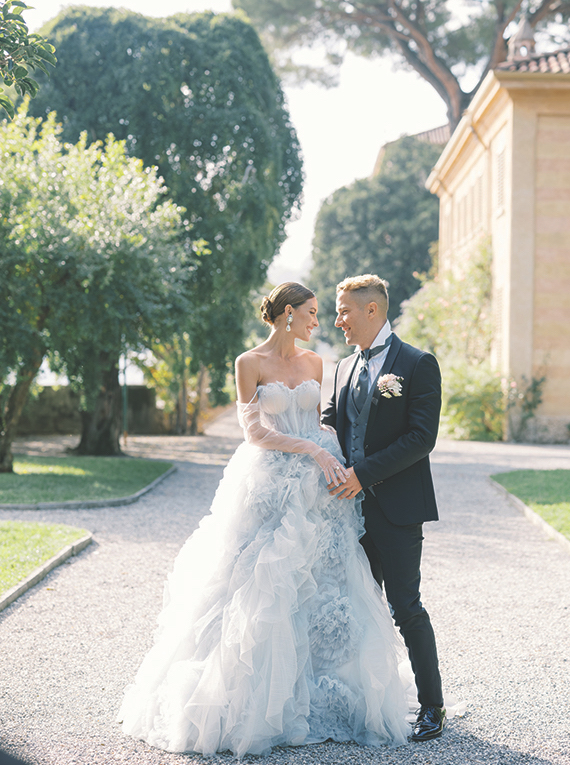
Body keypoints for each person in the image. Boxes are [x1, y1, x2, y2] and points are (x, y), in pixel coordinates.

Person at [118, 282, 410, 758]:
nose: (320, 321)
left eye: (323, 312)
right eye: (313, 312)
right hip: (270, 481)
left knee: (324, 582)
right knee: (257, 580)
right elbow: (254, 430)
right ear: (288, 313)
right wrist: (313, 447)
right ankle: (252, 702)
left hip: (318, 487)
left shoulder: (318, 363)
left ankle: (326, 692)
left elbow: (327, 421)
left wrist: (336, 452)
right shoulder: (248, 363)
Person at [321, 274, 446, 742]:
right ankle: (363, 701)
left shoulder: (416, 364)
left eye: (344, 311)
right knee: (352, 605)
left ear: (372, 310)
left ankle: (432, 705)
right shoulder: (340, 367)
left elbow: (421, 438)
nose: (338, 320)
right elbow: (332, 427)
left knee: (405, 606)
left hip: (396, 510)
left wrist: (363, 475)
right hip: (344, 514)